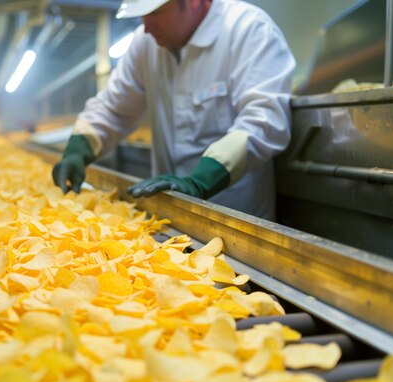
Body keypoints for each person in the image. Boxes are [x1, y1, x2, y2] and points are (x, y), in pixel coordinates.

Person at [52, 0, 295, 220]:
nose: (146, 27)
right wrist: (78, 149)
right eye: (142, 16)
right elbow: (113, 108)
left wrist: (200, 182)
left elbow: (264, 121)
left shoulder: (249, 30)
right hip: (169, 219)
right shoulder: (145, 43)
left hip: (238, 220)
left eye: (155, 12)